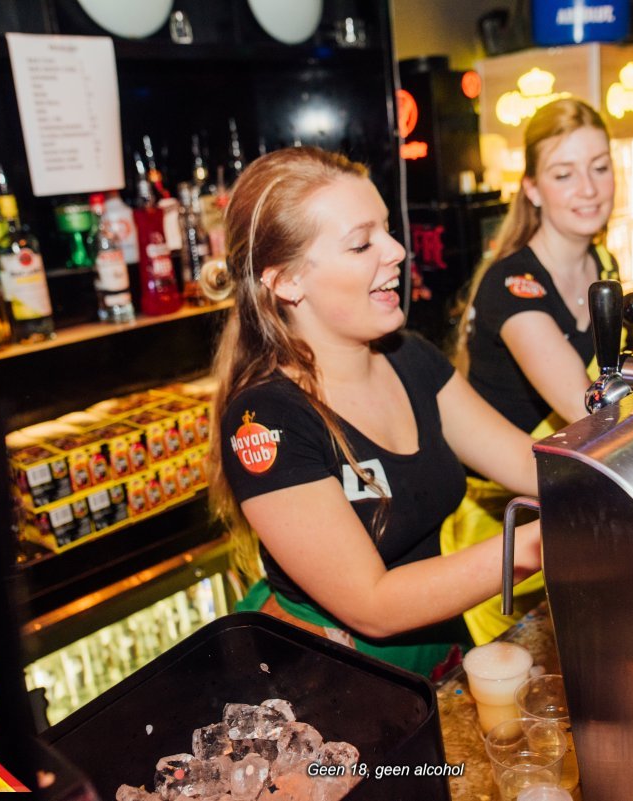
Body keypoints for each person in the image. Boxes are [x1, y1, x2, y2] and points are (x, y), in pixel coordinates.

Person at [206, 147, 542, 678]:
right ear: (287, 281)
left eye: (387, 230)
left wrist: (627, 463)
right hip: (343, 679)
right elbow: (373, 605)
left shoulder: (410, 357)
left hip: (441, 650)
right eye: (362, 243)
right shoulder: (267, 420)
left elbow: (527, 464)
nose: (397, 250)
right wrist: (534, 544)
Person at [447, 98, 633, 644]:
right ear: (532, 189)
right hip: (511, 524)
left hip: (578, 499)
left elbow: (610, 369)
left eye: (600, 167)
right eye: (564, 174)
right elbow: (587, 406)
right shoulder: (513, 285)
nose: (589, 189)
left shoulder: (602, 263)